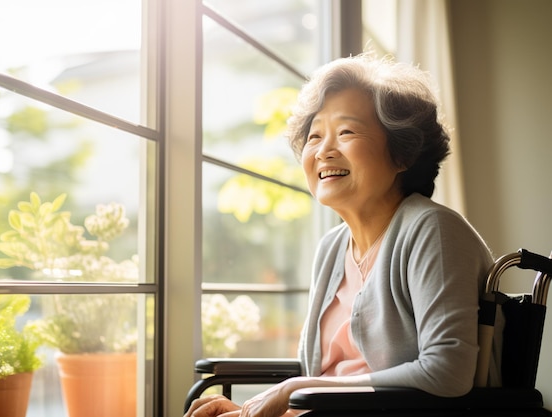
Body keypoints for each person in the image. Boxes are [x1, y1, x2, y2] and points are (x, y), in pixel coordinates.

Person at [184, 52, 499, 417]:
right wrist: (247, 412)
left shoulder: (433, 231)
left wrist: (296, 388)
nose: (323, 151)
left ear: (403, 153)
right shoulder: (332, 247)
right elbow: (331, 380)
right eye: (315, 136)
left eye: (346, 132)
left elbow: (447, 372)